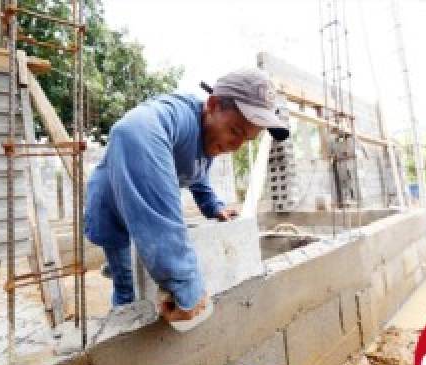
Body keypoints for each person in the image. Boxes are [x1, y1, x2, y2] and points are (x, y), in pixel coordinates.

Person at [85, 67, 289, 329]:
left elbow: (195, 170)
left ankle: (124, 270)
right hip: (113, 210)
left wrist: (212, 206)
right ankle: (122, 325)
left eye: (247, 140)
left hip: (142, 211)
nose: (236, 146)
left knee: (141, 266)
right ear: (213, 104)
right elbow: (132, 130)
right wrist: (184, 282)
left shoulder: (209, 136)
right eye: (236, 131)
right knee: (127, 291)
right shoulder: (175, 117)